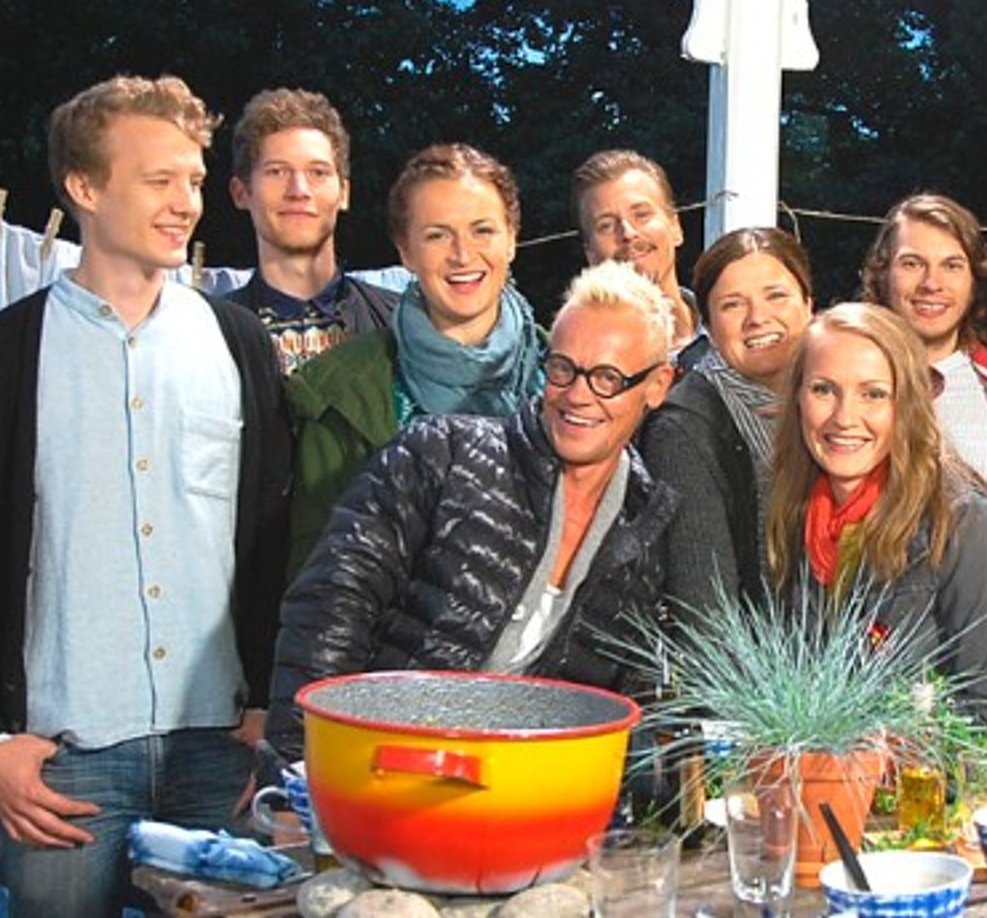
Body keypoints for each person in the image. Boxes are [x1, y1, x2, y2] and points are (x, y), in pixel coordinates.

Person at [0, 75, 291, 915]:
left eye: (194, 180)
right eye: (160, 180)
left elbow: (273, 539)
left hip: (219, 746)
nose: (187, 203)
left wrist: (268, 704)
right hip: (60, 758)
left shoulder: (238, 343)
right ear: (84, 187)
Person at [267, 261, 680, 757]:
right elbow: (329, 610)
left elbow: (631, 701)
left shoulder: (647, 530)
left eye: (608, 378)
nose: (577, 395)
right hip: (383, 763)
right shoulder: (437, 453)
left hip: (528, 784)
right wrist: (297, 764)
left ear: (657, 385)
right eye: (563, 368)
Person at [764, 303, 987, 747]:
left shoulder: (962, 519)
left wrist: (880, 762)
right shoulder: (791, 515)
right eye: (824, 390)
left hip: (930, 787)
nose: (844, 417)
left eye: (873, 394)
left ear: (907, 404)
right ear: (796, 398)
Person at [284, 142, 545, 572]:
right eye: (437, 235)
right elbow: (317, 576)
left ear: (512, 239)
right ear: (405, 251)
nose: (462, 254)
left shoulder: (567, 373)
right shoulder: (339, 394)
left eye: (482, 230)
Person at [641, 228, 814, 617]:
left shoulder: (844, 401)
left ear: (808, 304)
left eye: (776, 296)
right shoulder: (683, 429)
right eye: (733, 305)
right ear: (708, 326)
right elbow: (705, 612)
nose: (758, 318)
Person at [222, 88, 398, 372]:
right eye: (277, 171)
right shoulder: (209, 334)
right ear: (241, 192)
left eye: (318, 172)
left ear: (344, 193)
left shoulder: (401, 326)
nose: (299, 190)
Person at [860, 194, 987, 494]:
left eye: (951, 266)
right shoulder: (838, 383)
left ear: (974, 281)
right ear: (883, 273)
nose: (932, 283)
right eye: (912, 264)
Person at [572, 149, 709, 369]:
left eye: (642, 215)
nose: (627, 233)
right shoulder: (582, 366)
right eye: (606, 225)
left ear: (675, 227)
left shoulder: (733, 335)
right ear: (589, 253)